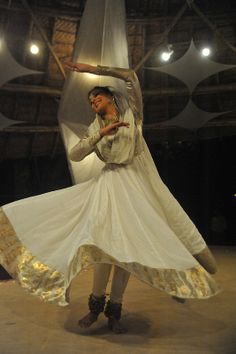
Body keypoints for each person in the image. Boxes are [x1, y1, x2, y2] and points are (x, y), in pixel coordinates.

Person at [0, 62, 219, 335]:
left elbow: (130, 77)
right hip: (108, 186)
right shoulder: (95, 128)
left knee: (125, 252)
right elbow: (76, 154)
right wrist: (99, 135)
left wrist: (94, 68)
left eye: (98, 97)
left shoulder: (132, 113)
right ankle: (95, 308)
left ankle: (115, 310)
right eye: (91, 101)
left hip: (133, 189)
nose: (93, 102)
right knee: (102, 246)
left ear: (111, 98)